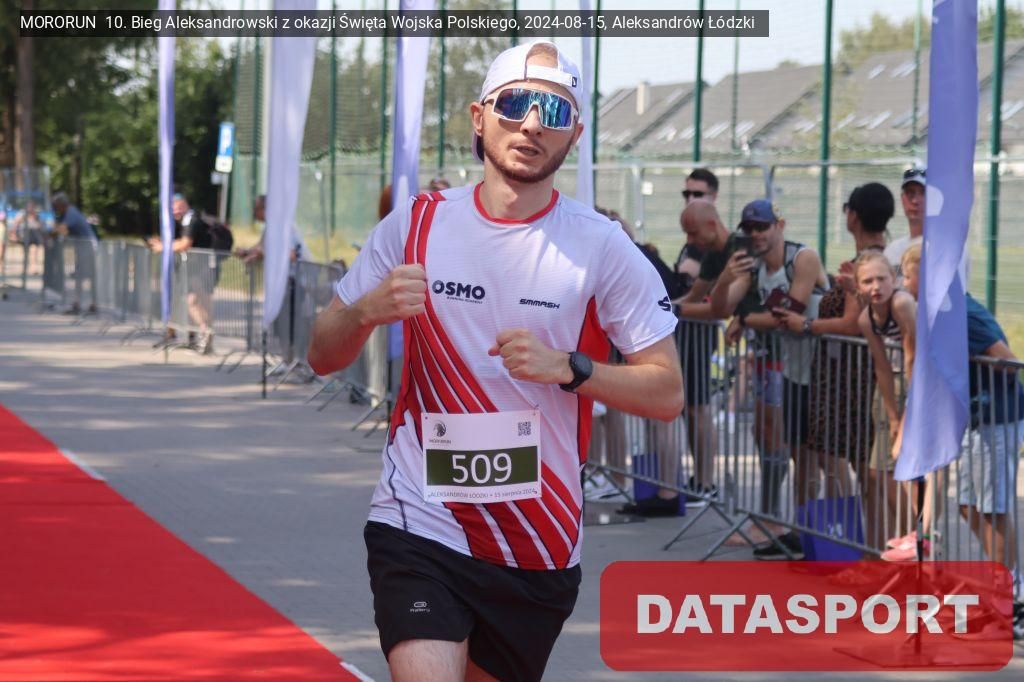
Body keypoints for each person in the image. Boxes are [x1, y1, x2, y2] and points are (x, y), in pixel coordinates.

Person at [309, 40, 683, 682]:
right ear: (479, 118)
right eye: (515, 105)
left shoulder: (602, 247)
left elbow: (668, 392)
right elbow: (322, 353)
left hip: (536, 538)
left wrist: (571, 368)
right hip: (420, 515)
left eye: (554, 112)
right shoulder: (416, 224)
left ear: (575, 136)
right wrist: (366, 310)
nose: (532, 124)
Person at [777, 183, 895, 550]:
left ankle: (868, 551)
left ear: (852, 216)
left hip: (858, 379)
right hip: (850, 377)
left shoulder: (868, 263)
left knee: (866, 473)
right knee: (858, 469)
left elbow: (852, 323)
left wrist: (807, 325)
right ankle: (857, 547)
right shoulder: (874, 259)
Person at [711, 199, 830, 559]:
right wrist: (726, 277)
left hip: (828, 370)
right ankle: (803, 530)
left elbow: (788, 314)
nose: (756, 235)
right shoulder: (754, 267)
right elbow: (719, 308)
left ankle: (839, 536)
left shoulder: (802, 258)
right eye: (749, 229)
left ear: (780, 225)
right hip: (796, 371)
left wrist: (745, 319)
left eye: (762, 227)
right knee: (800, 457)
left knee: (831, 461)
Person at [957, 282, 1024, 636]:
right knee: (967, 505)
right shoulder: (947, 313)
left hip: (997, 419)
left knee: (992, 509)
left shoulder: (965, 315)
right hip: (976, 420)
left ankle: (1008, 600)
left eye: (910, 277)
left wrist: (976, 362)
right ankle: (1008, 585)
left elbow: (1009, 362)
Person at [853, 251, 918, 559]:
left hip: (920, 382)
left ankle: (915, 540)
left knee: (900, 473)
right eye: (867, 281)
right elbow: (881, 366)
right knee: (879, 472)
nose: (876, 286)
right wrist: (892, 416)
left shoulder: (902, 303)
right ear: (858, 287)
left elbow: (913, 357)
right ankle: (905, 541)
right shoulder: (866, 318)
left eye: (881, 278)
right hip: (893, 383)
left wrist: (905, 419)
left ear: (894, 279)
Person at [235, 194, 307, 365]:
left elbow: (290, 254)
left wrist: (261, 253)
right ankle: (286, 360)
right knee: (279, 324)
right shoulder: (270, 227)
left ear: (266, 209)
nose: (254, 213)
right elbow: (262, 247)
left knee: (288, 324)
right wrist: (248, 252)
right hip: (280, 283)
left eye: (257, 208)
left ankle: (293, 361)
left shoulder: (284, 226)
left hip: (291, 282)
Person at [147, 193, 217, 354]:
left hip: (201, 268)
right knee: (197, 302)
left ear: (185, 205)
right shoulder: (186, 221)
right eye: (173, 208)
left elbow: (186, 243)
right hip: (198, 267)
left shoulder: (191, 220)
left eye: (178, 207)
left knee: (194, 302)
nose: (175, 211)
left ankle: (205, 333)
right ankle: (203, 336)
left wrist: (164, 247)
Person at [52, 192, 99, 315]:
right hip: (82, 246)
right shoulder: (67, 213)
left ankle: (92, 303)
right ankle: (78, 302)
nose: (56, 209)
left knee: (89, 274)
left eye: (57, 206)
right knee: (79, 274)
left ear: (62, 205)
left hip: (88, 246)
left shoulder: (71, 212)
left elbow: (62, 228)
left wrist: (52, 232)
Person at [883, 166, 925, 278]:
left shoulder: (945, 248)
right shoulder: (892, 249)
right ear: (902, 199)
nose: (915, 201)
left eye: (923, 193)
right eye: (910, 193)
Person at [10, 200, 46, 276]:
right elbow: (16, 223)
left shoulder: (36, 214)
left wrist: (35, 218)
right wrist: (13, 234)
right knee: (25, 253)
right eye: (29, 206)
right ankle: (24, 269)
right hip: (25, 234)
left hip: (34, 235)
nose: (31, 208)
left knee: (34, 251)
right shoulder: (22, 214)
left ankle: (33, 268)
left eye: (32, 206)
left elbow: (41, 226)